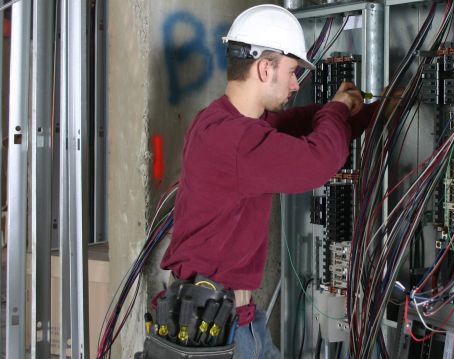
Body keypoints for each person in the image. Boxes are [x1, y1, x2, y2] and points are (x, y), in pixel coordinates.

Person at [159, 4, 376, 358]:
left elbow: (296, 123)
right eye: (292, 72)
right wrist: (337, 110)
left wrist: (368, 112)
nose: (295, 84)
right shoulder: (234, 139)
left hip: (237, 318)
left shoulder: (223, 121)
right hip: (217, 328)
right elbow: (318, 161)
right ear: (264, 68)